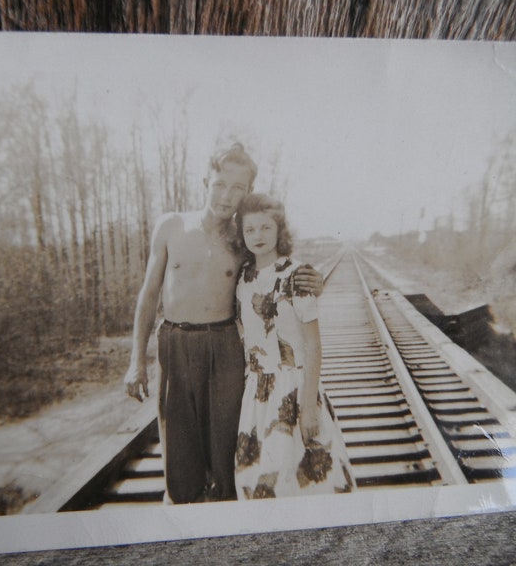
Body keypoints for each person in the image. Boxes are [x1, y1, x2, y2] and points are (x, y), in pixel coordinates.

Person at [124, 142, 323, 504]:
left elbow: (278, 266)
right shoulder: (171, 226)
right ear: (205, 181)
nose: (227, 195)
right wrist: (136, 361)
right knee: (180, 453)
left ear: (247, 192)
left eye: (238, 188)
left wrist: (314, 279)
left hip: (226, 348)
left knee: (227, 450)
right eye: (219, 184)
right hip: (176, 343)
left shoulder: (244, 238)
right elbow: (148, 295)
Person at [234, 193, 355, 499]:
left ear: (279, 230)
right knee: (260, 483)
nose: (258, 236)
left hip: (295, 388)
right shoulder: (242, 280)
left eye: (265, 227)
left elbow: (313, 345)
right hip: (257, 396)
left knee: (307, 484)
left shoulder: (298, 275)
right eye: (250, 230)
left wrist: (309, 408)